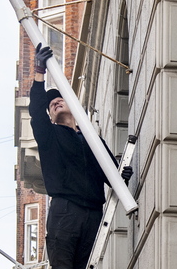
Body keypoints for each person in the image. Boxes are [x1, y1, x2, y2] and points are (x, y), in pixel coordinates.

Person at [29, 43, 133, 269]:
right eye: (51, 105)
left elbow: (109, 175)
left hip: (94, 215)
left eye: (59, 99)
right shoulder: (50, 136)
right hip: (66, 211)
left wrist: (122, 176)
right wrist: (39, 72)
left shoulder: (92, 139)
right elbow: (36, 112)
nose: (54, 102)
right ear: (50, 117)